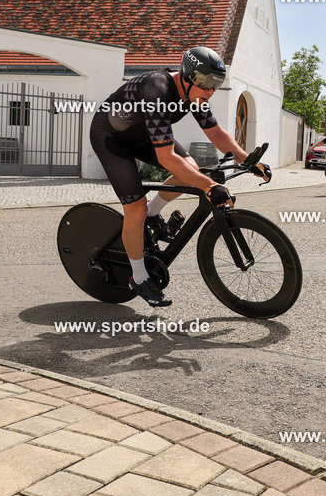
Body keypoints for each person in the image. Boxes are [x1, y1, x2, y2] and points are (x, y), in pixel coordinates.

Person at [89, 46, 269, 307]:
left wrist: (249, 161)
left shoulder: (194, 94)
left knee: (190, 168)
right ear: (187, 76)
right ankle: (139, 278)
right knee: (135, 208)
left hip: (141, 136)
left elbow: (216, 133)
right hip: (112, 138)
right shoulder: (157, 91)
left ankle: (154, 212)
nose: (210, 90)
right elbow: (165, 158)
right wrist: (209, 186)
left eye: (216, 84)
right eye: (206, 83)